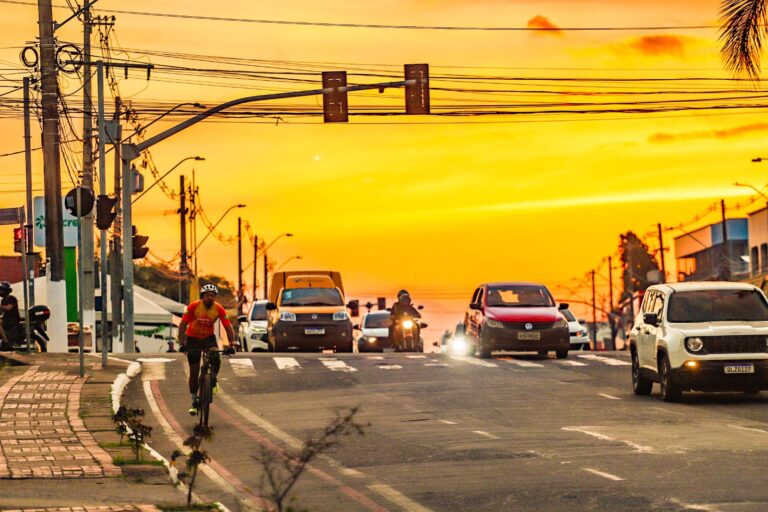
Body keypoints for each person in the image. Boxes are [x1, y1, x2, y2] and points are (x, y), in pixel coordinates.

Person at [178, 284, 236, 416]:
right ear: (203, 296)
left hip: (208, 338)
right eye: (207, 295)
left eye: (212, 295)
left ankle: (213, 379)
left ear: (215, 297)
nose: (209, 297)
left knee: (215, 354)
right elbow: (182, 324)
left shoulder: (219, 309)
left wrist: (232, 344)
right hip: (192, 339)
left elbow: (228, 327)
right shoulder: (194, 306)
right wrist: (182, 343)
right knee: (194, 372)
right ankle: (194, 402)